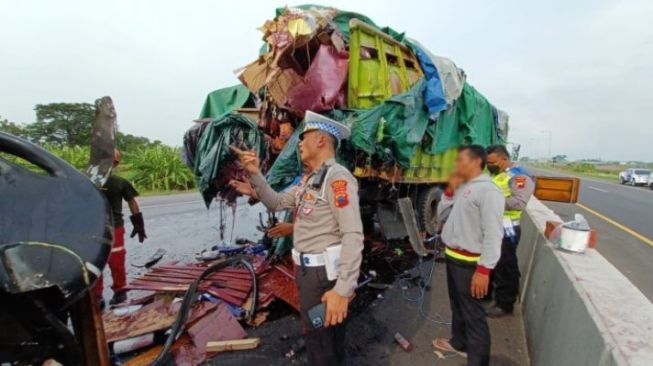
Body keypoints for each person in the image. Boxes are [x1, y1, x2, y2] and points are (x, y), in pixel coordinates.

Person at [229, 111, 363, 366]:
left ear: (321, 140)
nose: (299, 143)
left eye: (304, 137)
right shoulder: (309, 180)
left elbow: (353, 234)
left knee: (321, 337)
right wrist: (255, 174)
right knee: (320, 333)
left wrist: (343, 290)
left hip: (323, 276)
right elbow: (276, 201)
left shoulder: (337, 178)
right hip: (306, 273)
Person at [432, 145, 505, 366]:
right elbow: (442, 215)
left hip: (471, 264)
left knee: (474, 316)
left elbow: (494, 234)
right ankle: (459, 342)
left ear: (475, 162)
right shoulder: (464, 186)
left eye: (459, 161)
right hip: (453, 257)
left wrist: (484, 270)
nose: (455, 165)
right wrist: (450, 190)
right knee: (457, 306)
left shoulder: (489, 191)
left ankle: (478, 361)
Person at [485, 145, 534, 318]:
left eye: (492, 162)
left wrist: (492, 200)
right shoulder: (499, 175)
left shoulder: (519, 176)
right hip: (495, 225)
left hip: (508, 227)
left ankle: (505, 304)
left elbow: (519, 202)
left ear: (503, 159)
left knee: (506, 265)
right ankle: (488, 295)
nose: (489, 165)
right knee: (492, 262)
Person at [95, 150, 147, 307]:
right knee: (96, 261)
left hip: (114, 227)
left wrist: (138, 224)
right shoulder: (89, 181)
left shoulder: (120, 183)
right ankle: (97, 296)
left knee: (115, 260)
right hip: (94, 227)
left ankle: (120, 292)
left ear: (115, 164)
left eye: (113, 162)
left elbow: (132, 202)